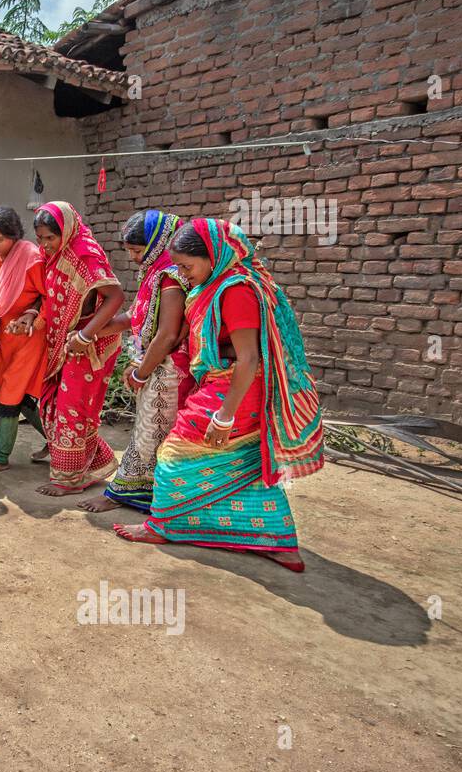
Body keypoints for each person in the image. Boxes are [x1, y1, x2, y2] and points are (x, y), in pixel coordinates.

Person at [114, 219, 325, 572]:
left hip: (236, 389)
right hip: (226, 382)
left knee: (173, 454)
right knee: (244, 463)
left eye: (187, 266)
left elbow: (249, 358)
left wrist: (224, 416)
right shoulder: (213, 286)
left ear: (213, 256)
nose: (183, 274)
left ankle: (162, 525)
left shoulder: (236, 291)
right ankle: (278, 541)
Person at [81, 211, 192, 513]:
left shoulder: (170, 278)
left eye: (137, 250)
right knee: (151, 431)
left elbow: (167, 334)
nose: (133, 257)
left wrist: (141, 372)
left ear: (157, 244)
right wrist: (91, 331)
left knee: (150, 434)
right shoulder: (154, 273)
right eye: (129, 250)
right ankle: (154, 495)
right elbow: (136, 317)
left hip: (167, 367)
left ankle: (124, 494)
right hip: (155, 364)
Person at [16, 201, 125, 497]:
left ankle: (69, 479)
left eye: (50, 237)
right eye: (40, 238)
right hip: (63, 342)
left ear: (65, 231)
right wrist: (31, 314)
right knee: (53, 404)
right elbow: (47, 295)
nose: (45, 244)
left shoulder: (85, 254)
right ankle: (95, 462)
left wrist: (86, 336)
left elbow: (115, 296)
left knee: (71, 409)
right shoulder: (53, 255)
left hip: (88, 343)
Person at [0, 206, 47, 474]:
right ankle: (58, 442)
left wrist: (31, 314)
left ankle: (0, 457)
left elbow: (49, 295)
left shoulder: (31, 258)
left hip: (30, 335)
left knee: (11, 392)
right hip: (5, 335)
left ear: (14, 235)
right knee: (20, 396)